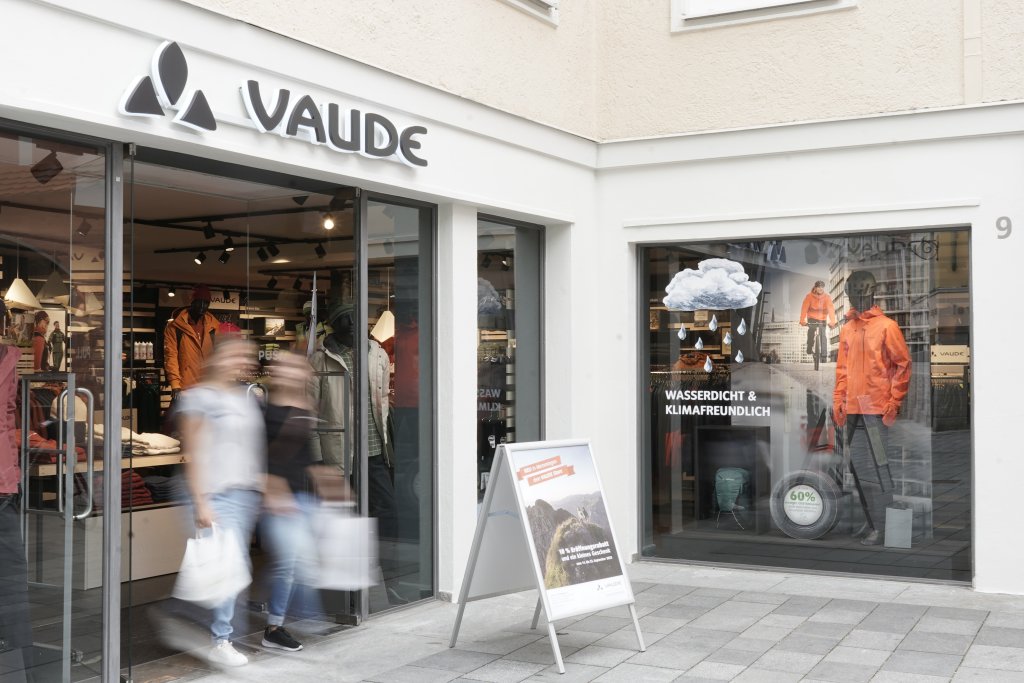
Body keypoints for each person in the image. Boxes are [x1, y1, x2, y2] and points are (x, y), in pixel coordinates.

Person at [178, 337, 265, 667]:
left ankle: (194, 624)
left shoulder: (246, 398)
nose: (240, 361)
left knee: (232, 570)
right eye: (233, 355)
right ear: (215, 359)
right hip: (216, 494)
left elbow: (250, 448)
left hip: (244, 494)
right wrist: (201, 501)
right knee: (228, 569)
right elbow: (194, 454)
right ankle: (220, 640)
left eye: (244, 356)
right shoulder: (198, 398)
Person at [309, 302, 403, 603]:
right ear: (333, 325)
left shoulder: (377, 353)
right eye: (343, 320)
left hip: (374, 452)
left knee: (387, 514)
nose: (350, 325)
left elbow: (382, 402)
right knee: (344, 522)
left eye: (354, 319)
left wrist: (388, 444)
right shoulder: (320, 360)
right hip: (339, 455)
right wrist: (318, 459)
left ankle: (390, 579)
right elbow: (311, 413)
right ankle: (346, 593)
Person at [833, 270, 911, 546]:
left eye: (861, 295)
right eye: (853, 296)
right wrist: (838, 400)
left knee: (879, 467)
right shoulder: (848, 328)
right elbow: (842, 370)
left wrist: (894, 402)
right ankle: (871, 521)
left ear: (871, 293)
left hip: (875, 409)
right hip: (853, 409)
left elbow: (903, 365)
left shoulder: (887, 327)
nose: (857, 300)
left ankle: (884, 527)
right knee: (855, 467)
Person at [259, 352, 320, 653]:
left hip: (300, 495)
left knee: (300, 563)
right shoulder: (263, 407)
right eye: (284, 368)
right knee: (287, 564)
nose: (290, 373)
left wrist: (325, 478)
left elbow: (303, 454)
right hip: (275, 496)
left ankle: (296, 613)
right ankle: (274, 627)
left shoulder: (306, 404)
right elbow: (257, 454)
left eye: (296, 368)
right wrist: (270, 489)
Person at [163, 284, 221, 398]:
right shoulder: (175, 327)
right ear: (192, 302)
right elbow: (171, 356)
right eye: (199, 302)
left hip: (209, 386)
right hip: (185, 387)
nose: (202, 306)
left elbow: (219, 356)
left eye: (206, 303)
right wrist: (175, 384)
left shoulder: (214, 327)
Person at [799, 280, 837, 363]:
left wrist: (832, 321)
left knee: (823, 334)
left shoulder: (827, 297)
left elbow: (831, 309)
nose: (820, 289)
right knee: (811, 331)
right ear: (815, 288)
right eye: (819, 287)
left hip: (822, 318)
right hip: (812, 318)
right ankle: (809, 346)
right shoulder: (809, 296)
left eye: (822, 287)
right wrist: (802, 320)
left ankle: (824, 354)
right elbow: (804, 308)